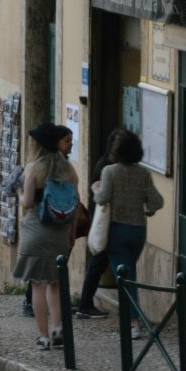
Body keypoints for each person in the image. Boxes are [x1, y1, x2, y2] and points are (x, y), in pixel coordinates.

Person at [13, 121, 80, 349]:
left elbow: (28, 203)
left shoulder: (34, 168)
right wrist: (71, 235)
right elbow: (76, 205)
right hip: (60, 231)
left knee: (37, 284)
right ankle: (58, 328)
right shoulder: (69, 170)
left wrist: (19, 191)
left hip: (36, 230)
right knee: (55, 283)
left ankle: (43, 336)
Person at [94, 128, 163, 340]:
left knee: (125, 278)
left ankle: (133, 323)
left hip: (117, 230)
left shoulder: (110, 172)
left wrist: (96, 190)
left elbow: (102, 198)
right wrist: (146, 210)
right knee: (129, 274)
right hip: (138, 231)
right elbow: (157, 201)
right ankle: (133, 319)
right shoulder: (143, 173)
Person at [77, 127, 126, 319]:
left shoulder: (114, 166)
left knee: (101, 263)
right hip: (104, 223)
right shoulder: (105, 166)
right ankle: (85, 304)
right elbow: (99, 193)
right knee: (98, 263)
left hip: (111, 223)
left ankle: (85, 303)